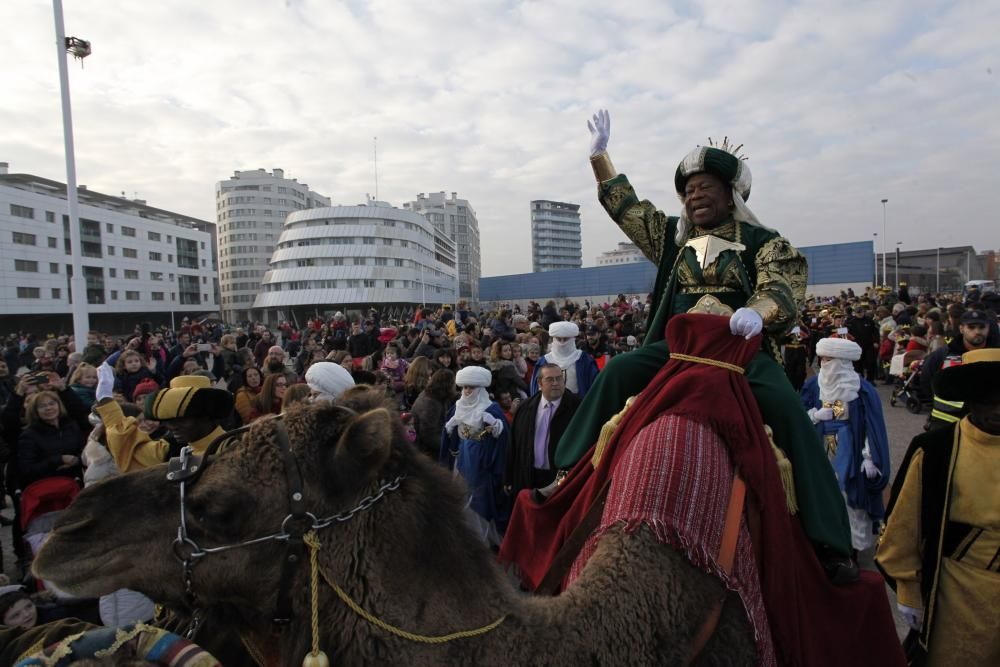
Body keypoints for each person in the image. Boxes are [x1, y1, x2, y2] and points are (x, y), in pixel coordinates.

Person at [552, 109, 853, 572]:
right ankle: (569, 470)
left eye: (705, 188)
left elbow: (781, 285)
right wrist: (601, 160)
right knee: (617, 371)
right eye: (689, 191)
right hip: (676, 351)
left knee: (787, 408)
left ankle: (828, 535)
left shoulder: (763, 241)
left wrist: (759, 310)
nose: (694, 197)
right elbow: (631, 211)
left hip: (737, 353)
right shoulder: (675, 242)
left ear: (731, 195)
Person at [876, 348, 1000, 666]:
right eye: (988, 398)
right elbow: (903, 527)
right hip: (960, 596)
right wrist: (909, 592)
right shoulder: (936, 450)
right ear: (969, 399)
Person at [801, 337, 891, 556]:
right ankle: (826, 541)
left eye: (828, 360)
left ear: (842, 361)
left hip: (852, 449)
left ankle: (852, 547)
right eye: (821, 360)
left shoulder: (863, 390)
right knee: (823, 493)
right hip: (821, 446)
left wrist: (870, 456)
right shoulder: (814, 386)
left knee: (850, 496)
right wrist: (814, 415)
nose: (823, 365)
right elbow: (798, 415)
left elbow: (872, 425)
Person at [93, 366, 234, 471]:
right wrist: (106, 401)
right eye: (168, 420)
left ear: (207, 416)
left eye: (181, 420)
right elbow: (130, 451)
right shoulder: (172, 449)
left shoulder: (235, 448)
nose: (172, 426)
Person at [439, 366, 509, 547]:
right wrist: (448, 430)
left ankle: (484, 539)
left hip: (483, 460)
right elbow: (452, 435)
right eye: (465, 387)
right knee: (463, 495)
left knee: (481, 498)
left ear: (480, 389)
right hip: (463, 458)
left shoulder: (490, 408)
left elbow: (504, 436)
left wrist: (496, 427)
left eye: (471, 387)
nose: (467, 391)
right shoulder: (458, 406)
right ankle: (467, 536)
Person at [505, 363, 581, 497]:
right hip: (529, 476)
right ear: (540, 382)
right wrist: (509, 477)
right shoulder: (525, 408)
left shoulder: (577, 408)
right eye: (550, 379)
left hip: (560, 479)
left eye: (559, 378)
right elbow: (513, 444)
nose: (556, 383)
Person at [921, 309, 999, 428]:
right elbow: (927, 380)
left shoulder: (996, 355)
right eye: (971, 327)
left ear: (988, 329)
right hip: (946, 422)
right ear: (962, 329)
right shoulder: (943, 355)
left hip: (987, 425)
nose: (977, 331)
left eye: (981, 327)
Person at [17, 391, 85, 488]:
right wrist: (59, 460)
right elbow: (27, 470)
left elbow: (83, 450)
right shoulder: (29, 435)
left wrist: (77, 460)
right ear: (35, 411)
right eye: (42, 406)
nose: (48, 408)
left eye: (52, 404)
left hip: (77, 481)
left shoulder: (71, 425)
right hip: (50, 486)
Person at [529, 322, 599, 397]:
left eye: (566, 339)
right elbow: (536, 390)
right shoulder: (544, 361)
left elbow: (595, 388)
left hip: (578, 405)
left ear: (573, 339)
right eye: (558, 339)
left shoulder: (584, 360)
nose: (562, 343)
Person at [411, 369, 456, 459]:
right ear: (447, 385)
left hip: (435, 437)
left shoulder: (434, 394)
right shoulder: (431, 403)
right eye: (453, 383)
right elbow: (428, 435)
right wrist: (450, 446)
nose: (455, 385)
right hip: (426, 449)